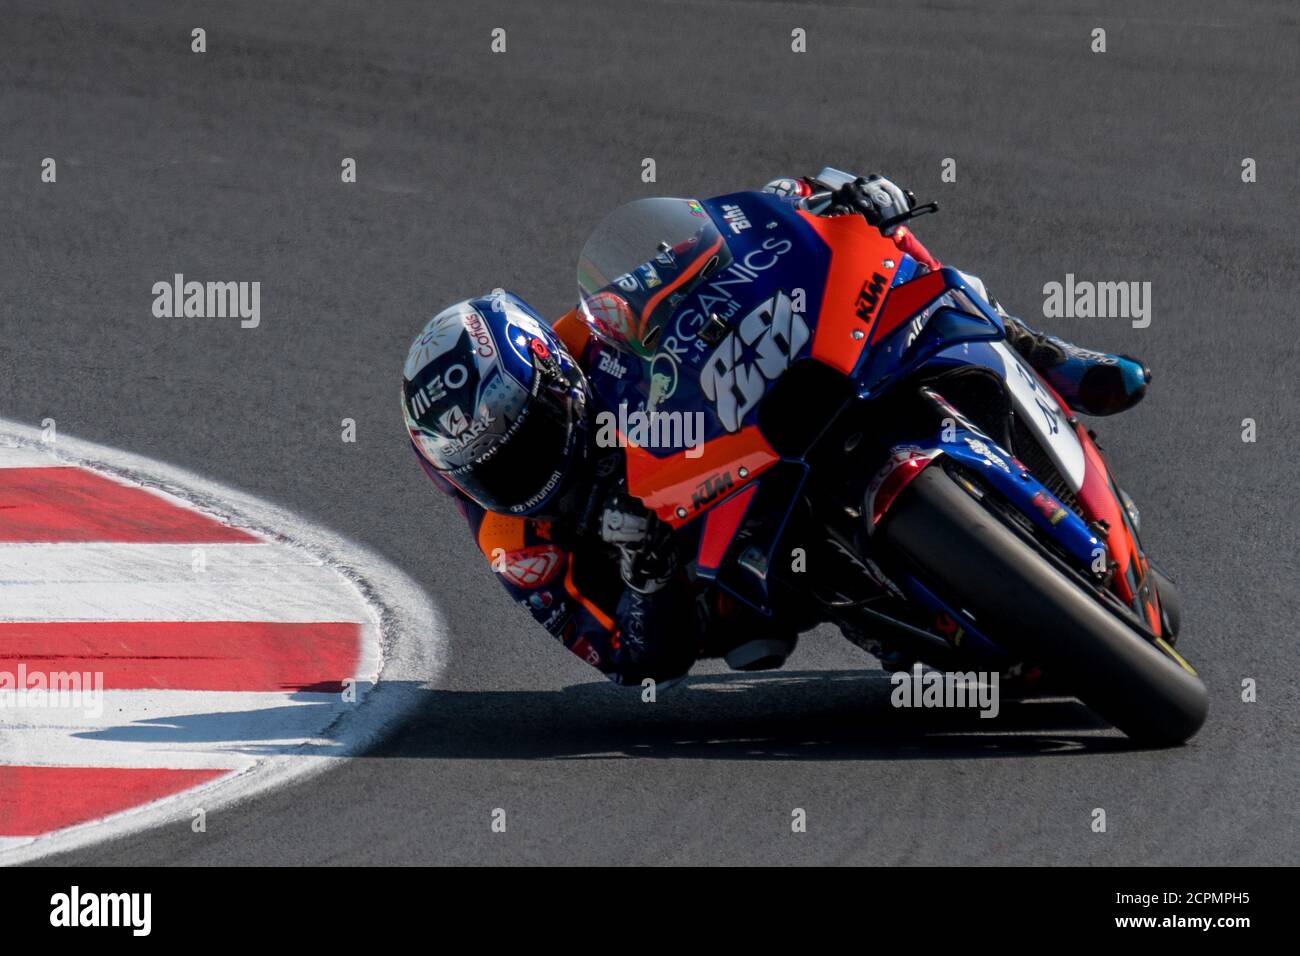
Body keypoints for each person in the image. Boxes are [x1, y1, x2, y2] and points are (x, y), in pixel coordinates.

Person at [401, 172, 1150, 687]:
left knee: (910, 266)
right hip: (710, 562)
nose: (519, 477)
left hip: (755, 417)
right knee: (772, 627)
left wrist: (829, 199)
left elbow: (724, 238)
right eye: (491, 472)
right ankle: (891, 613)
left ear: (554, 376)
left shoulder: (590, 329)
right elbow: (624, 659)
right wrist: (646, 571)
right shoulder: (514, 541)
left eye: (527, 438)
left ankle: (1040, 352)